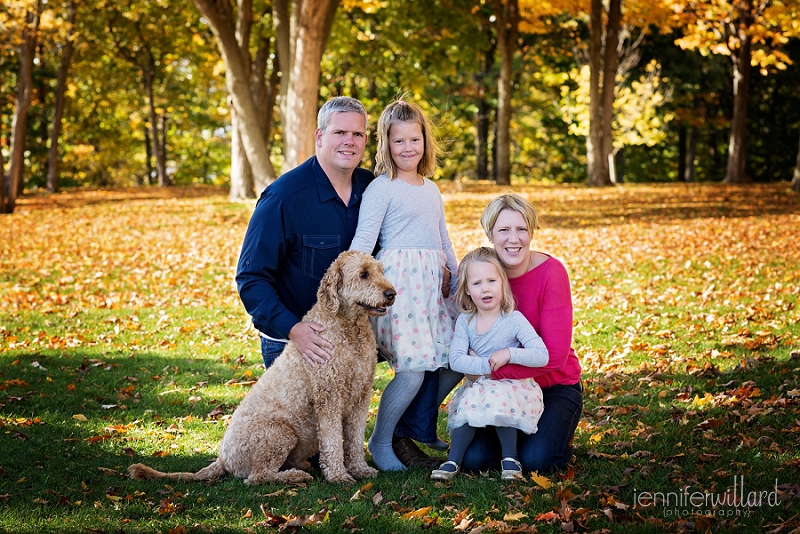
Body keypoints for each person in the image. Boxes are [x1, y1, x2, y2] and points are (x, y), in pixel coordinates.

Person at [349, 99, 462, 471]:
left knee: (456, 359)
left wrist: (457, 274)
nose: (408, 148)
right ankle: (382, 441)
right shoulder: (383, 188)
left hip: (433, 289)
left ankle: (417, 425)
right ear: (387, 144)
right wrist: (355, 288)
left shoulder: (431, 188)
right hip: (400, 289)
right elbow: (364, 241)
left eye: (415, 139)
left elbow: (442, 237)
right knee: (412, 372)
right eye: (399, 142)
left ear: (425, 141)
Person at [235, 96, 373, 369]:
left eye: (357, 134)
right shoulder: (284, 198)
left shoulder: (372, 188)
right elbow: (251, 277)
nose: (350, 141)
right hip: (295, 343)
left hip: (352, 339)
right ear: (320, 136)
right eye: (340, 133)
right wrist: (293, 328)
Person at [459, 193, 583, 474]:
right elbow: (462, 319)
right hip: (501, 391)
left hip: (553, 385)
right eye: (504, 230)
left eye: (521, 229)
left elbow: (554, 357)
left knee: (536, 461)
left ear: (531, 232)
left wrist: (488, 369)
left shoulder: (552, 273)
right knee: (475, 460)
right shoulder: (483, 274)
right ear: (490, 233)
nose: (513, 239)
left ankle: (554, 434)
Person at [430, 247, 548, 482]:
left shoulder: (513, 319)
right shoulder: (466, 321)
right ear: (467, 290)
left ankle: (510, 459)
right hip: (479, 387)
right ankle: (453, 461)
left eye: (492, 281)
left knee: (497, 395)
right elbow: (456, 359)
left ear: (503, 283)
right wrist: (485, 365)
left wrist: (508, 354)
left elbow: (541, 355)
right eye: (477, 283)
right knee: (470, 402)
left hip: (514, 389)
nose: (485, 288)